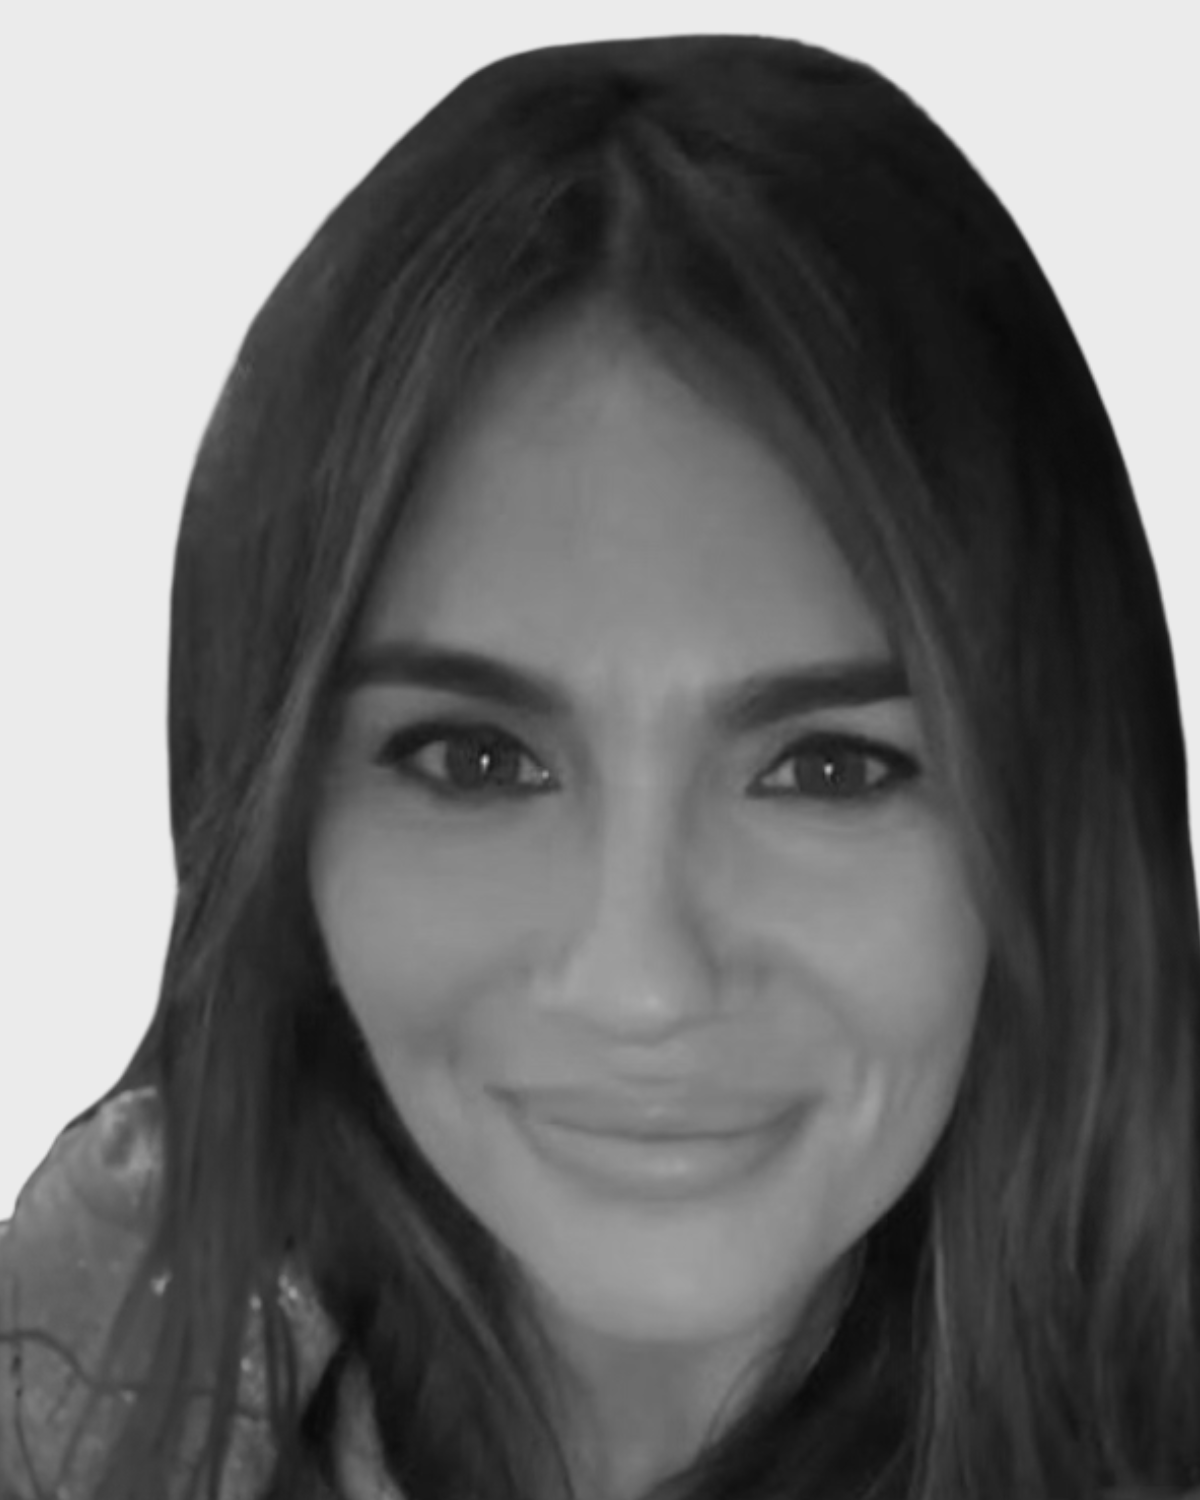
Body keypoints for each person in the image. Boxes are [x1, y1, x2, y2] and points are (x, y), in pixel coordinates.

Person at [1, 29, 1197, 1500]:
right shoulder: (94, 1330)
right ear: (277, 804)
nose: (641, 980)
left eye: (827, 768)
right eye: (477, 758)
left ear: (1064, 816)